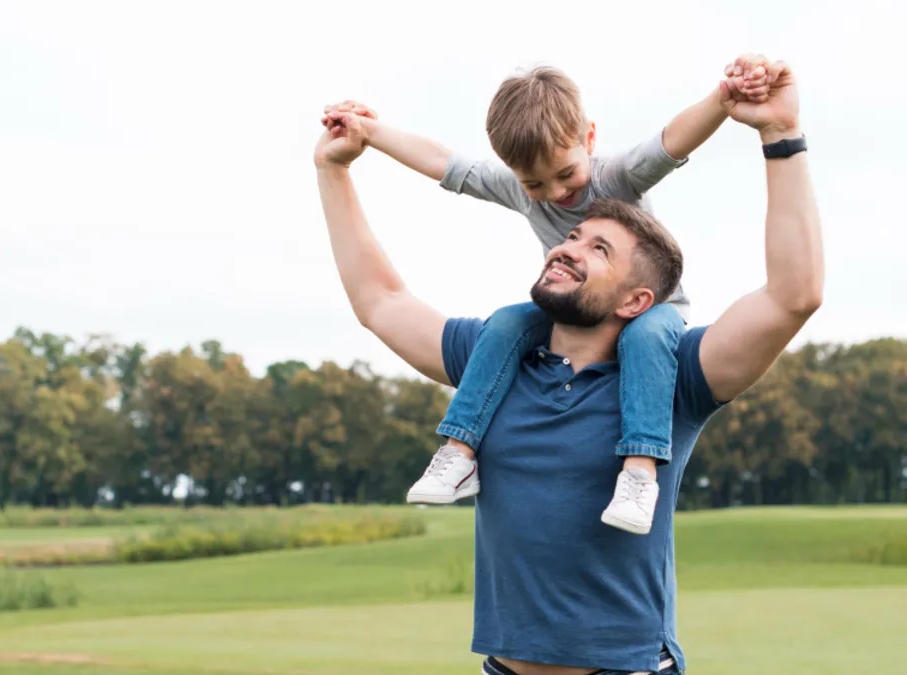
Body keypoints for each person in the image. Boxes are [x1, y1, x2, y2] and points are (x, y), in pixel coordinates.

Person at [314, 55, 820, 674]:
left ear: (639, 299)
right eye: (570, 237)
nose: (567, 240)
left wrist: (779, 134)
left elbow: (793, 295)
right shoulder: (493, 361)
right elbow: (380, 301)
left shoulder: (674, 375)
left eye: (599, 245)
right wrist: (334, 169)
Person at [320, 60, 773, 534]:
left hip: (652, 311)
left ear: (589, 140)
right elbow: (445, 163)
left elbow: (670, 142)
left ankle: (639, 472)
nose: (554, 193)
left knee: (644, 338)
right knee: (506, 323)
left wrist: (722, 101)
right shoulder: (522, 192)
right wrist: (369, 132)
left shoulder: (614, 178)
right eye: (534, 183)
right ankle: (459, 451)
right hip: (569, 309)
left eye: (564, 173)